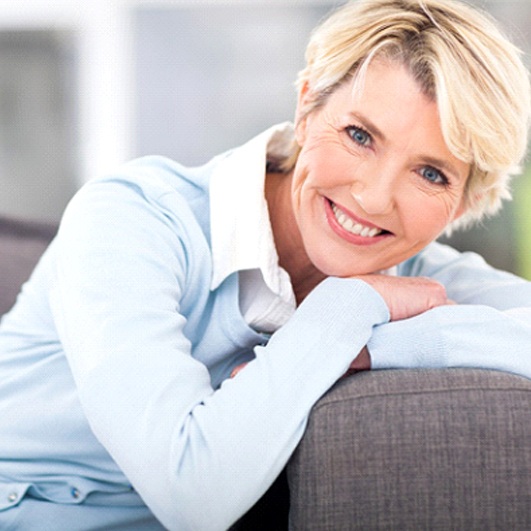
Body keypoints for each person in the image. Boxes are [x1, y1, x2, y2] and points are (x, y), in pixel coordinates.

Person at [1, 0, 531, 529]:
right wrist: (345, 308)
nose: (373, 198)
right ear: (306, 108)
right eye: (359, 136)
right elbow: (192, 495)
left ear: (463, 203)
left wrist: (378, 346)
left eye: (431, 174)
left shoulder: (418, 280)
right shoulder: (133, 216)